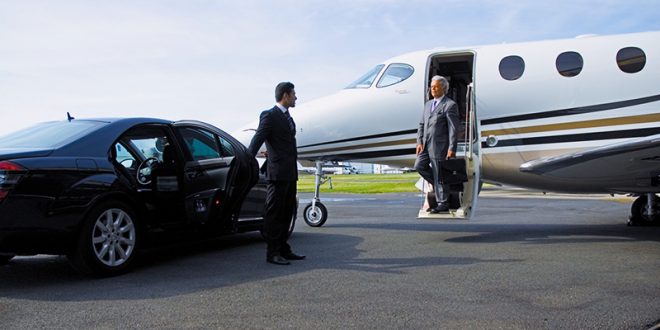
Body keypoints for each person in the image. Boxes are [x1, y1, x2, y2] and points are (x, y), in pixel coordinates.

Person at [248, 82, 305, 265]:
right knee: (275, 214)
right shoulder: (269, 115)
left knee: (287, 212)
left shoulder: (288, 117)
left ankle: (283, 249)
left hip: (289, 172)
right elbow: (258, 139)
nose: (296, 97)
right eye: (294, 94)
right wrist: (248, 160)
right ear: (286, 95)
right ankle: (272, 253)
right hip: (277, 173)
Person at [414, 75, 460, 213]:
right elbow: (422, 124)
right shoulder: (428, 105)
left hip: (440, 146)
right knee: (419, 166)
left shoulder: (450, 105)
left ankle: (443, 202)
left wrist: (452, 148)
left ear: (443, 88)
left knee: (439, 172)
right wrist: (419, 141)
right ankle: (437, 185)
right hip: (426, 145)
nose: (432, 89)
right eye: (431, 87)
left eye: (435, 87)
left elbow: (453, 128)